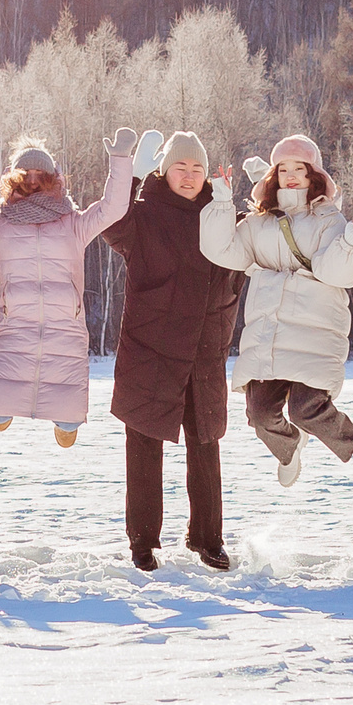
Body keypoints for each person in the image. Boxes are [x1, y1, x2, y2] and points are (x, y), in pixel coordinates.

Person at [201, 134, 353, 487]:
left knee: (305, 409)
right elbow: (223, 251)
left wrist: (350, 239)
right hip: (267, 330)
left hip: (314, 328)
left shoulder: (327, 218)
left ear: (313, 175)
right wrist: (222, 201)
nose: (290, 175)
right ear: (273, 175)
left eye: (299, 169)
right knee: (259, 416)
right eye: (283, 168)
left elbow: (335, 273)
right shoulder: (258, 221)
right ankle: (289, 449)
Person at [0, 125, 136, 446]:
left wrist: (121, 161)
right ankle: (8, 411)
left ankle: (64, 426)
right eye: (26, 173)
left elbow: (113, 208)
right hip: (15, 330)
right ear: (14, 179)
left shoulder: (74, 224)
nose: (33, 179)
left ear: (54, 178)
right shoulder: (1, 228)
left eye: (41, 173)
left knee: (67, 423)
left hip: (65, 332)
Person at [105, 130, 246, 572]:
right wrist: (125, 170)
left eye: (197, 168)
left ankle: (208, 538)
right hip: (152, 346)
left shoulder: (223, 214)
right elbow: (110, 223)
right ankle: (143, 541)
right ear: (164, 172)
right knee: (143, 443)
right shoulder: (143, 214)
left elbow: (263, 242)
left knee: (205, 442)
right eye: (180, 168)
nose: (189, 176)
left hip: (205, 346)